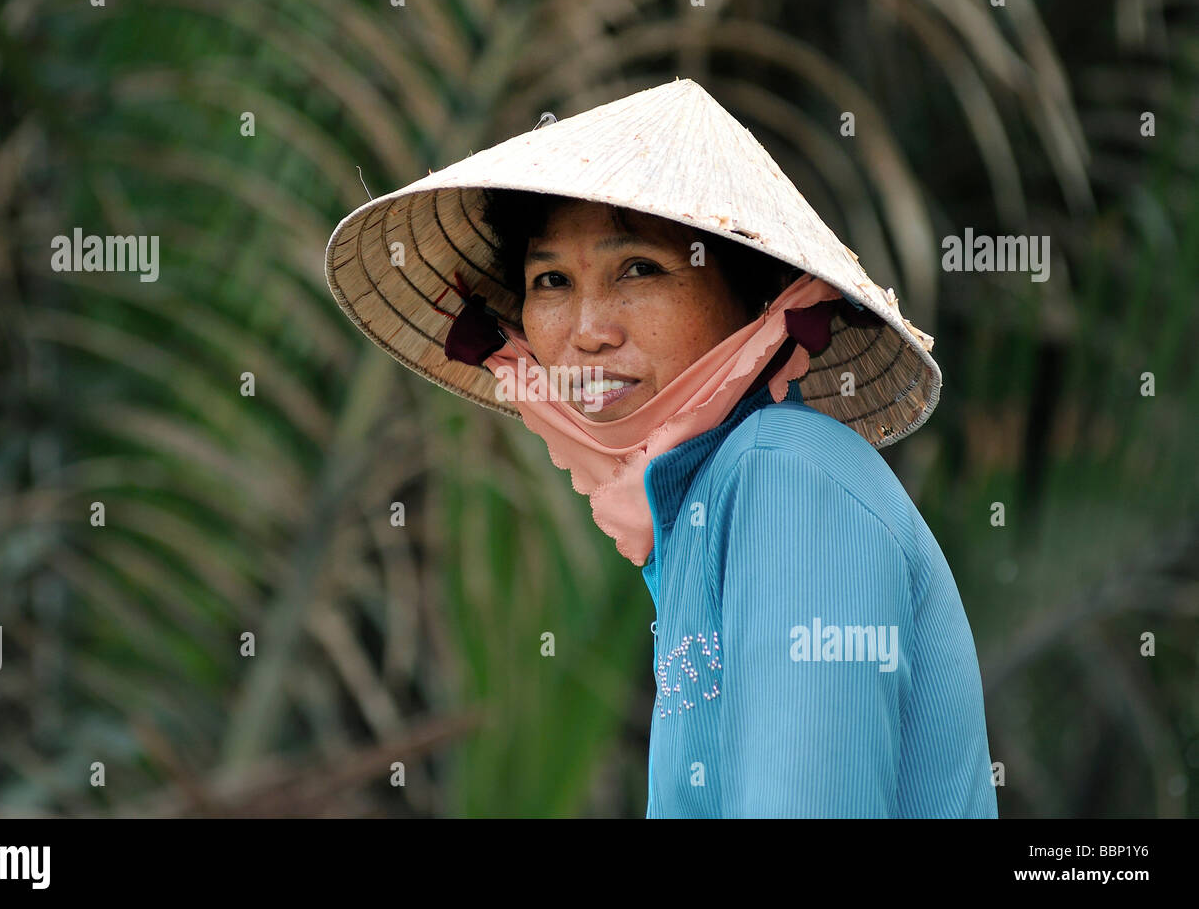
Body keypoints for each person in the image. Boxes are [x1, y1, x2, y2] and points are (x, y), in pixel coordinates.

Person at [325, 77, 997, 818]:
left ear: (757, 294)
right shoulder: (698, 510)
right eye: (551, 280)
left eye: (639, 269)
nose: (587, 330)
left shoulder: (787, 476)